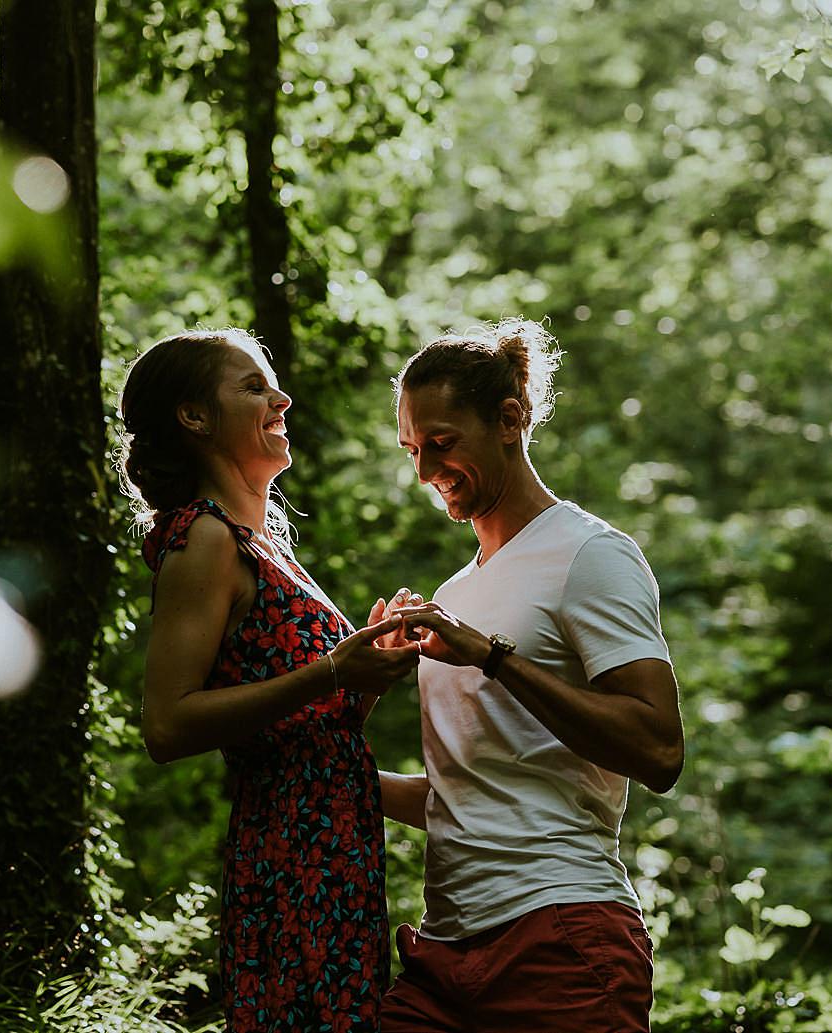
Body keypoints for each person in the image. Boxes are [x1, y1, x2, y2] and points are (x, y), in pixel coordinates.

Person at [378, 319, 685, 1033]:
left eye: (442, 443)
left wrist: (495, 656)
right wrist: (329, 768)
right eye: (413, 450)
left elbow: (659, 749)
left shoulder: (590, 554)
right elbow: (468, 793)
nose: (425, 470)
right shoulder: (453, 594)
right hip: (442, 957)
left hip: (563, 938)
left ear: (510, 419)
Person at [116, 328, 420, 1033]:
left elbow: (308, 723)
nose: (281, 397)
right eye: (253, 386)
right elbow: (166, 723)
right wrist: (334, 668)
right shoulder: (205, 538)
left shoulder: (266, 545)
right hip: (292, 852)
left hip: (339, 842)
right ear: (194, 416)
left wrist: (369, 669)